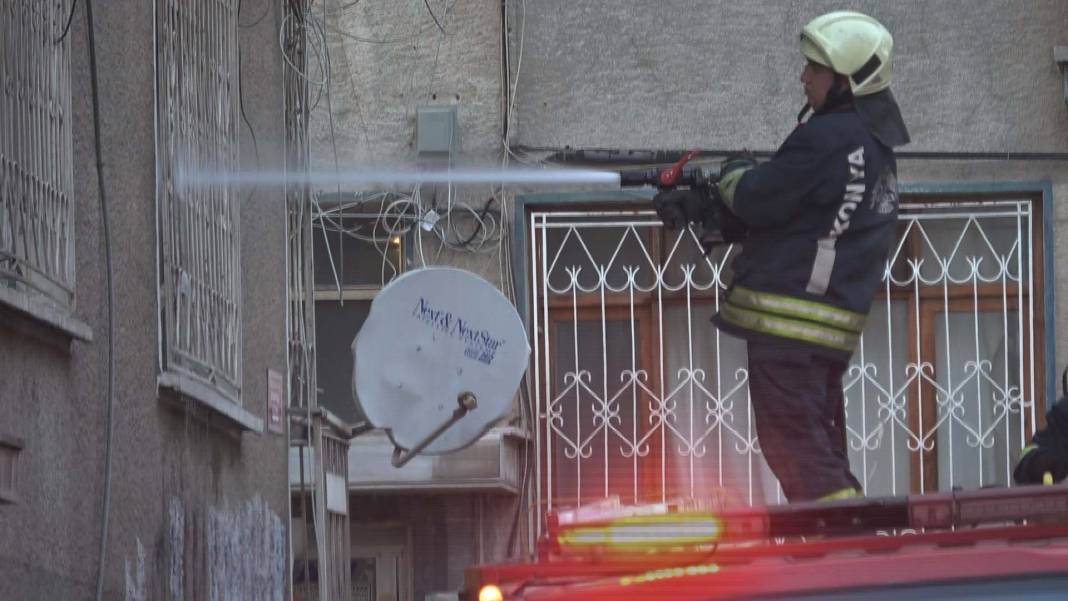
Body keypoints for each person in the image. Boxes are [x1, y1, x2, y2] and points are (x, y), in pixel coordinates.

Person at [654, 10, 910, 502]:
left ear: (846, 80)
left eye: (815, 68)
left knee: (797, 451)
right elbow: (807, 216)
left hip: (788, 331)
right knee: (819, 451)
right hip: (823, 334)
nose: (803, 77)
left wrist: (733, 174)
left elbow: (756, 196)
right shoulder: (872, 146)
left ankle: (847, 540)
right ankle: (848, 531)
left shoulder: (826, 138)